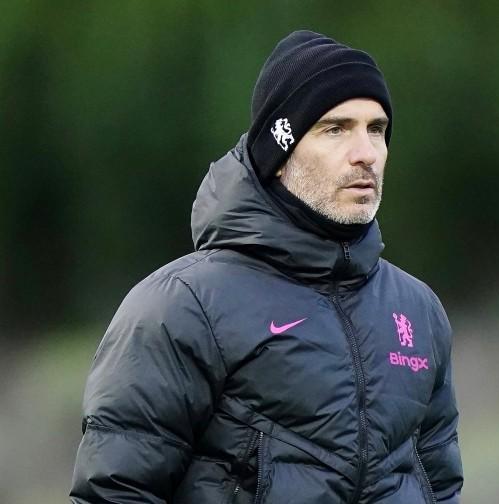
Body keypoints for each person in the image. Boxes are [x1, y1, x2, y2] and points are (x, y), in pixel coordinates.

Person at [70, 30, 463, 503]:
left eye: (376, 129)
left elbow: (440, 486)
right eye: (335, 129)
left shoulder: (418, 310)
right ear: (279, 152)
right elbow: (115, 492)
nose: (366, 153)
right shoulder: (182, 307)